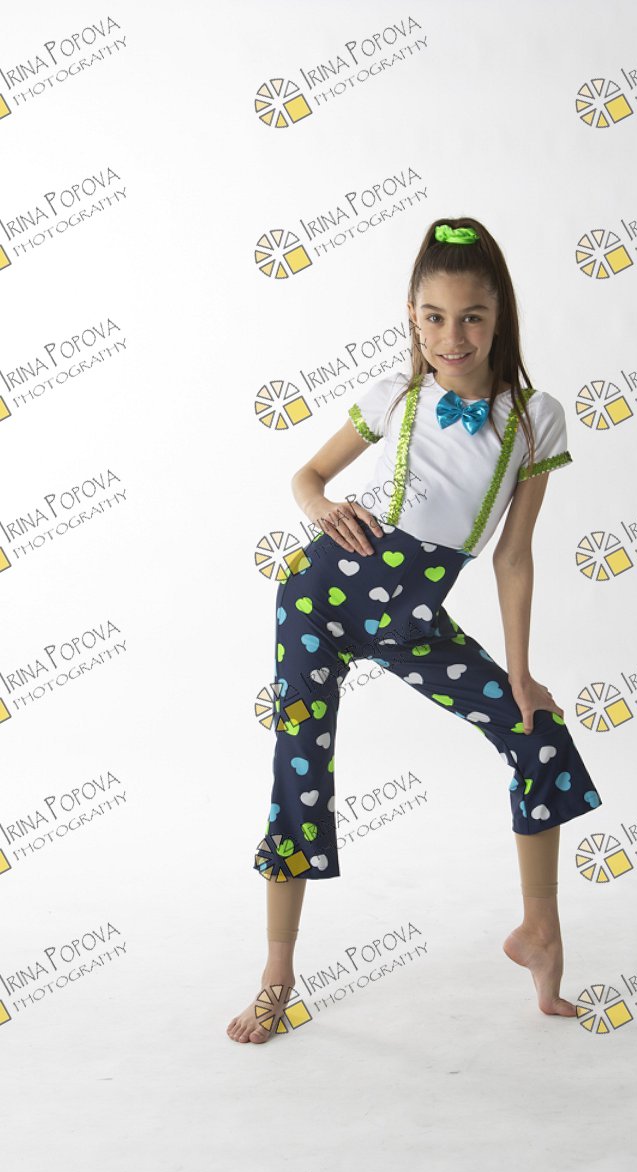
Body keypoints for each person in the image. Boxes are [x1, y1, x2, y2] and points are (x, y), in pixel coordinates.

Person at [227, 217, 603, 1044]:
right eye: (433, 317)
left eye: (471, 317)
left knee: (538, 734)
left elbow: (513, 556)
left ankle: (541, 931)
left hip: (413, 616)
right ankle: (277, 974)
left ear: (499, 316)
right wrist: (321, 507)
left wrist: (520, 671)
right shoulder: (395, 396)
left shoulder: (535, 419)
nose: (451, 337)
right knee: (300, 773)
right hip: (321, 597)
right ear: (411, 315)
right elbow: (307, 473)